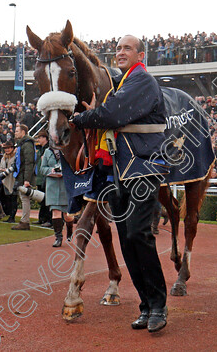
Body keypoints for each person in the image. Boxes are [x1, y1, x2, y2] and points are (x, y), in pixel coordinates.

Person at [71, 34, 170, 333]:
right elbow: (109, 115)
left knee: (139, 234)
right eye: (118, 49)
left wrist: (83, 118)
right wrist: (95, 114)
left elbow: (111, 115)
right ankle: (146, 305)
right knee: (127, 238)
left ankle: (159, 305)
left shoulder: (141, 80)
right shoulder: (124, 83)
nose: (121, 52)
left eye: (127, 48)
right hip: (121, 171)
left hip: (142, 168)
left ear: (140, 55)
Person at [38, 145, 73, 247]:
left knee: (67, 215)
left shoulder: (68, 150)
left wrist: (64, 171)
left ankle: (69, 228)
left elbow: (74, 166)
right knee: (55, 212)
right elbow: (42, 169)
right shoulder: (47, 152)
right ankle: (58, 237)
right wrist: (52, 171)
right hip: (52, 186)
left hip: (65, 185)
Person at [11, 124, 35, 230]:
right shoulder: (22, 144)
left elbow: (29, 162)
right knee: (23, 198)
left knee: (25, 198)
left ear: (23, 132)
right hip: (21, 174)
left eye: (17, 131)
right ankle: (24, 220)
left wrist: (26, 179)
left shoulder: (27, 144)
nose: (15, 133)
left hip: (24, 176)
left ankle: (25, 222)